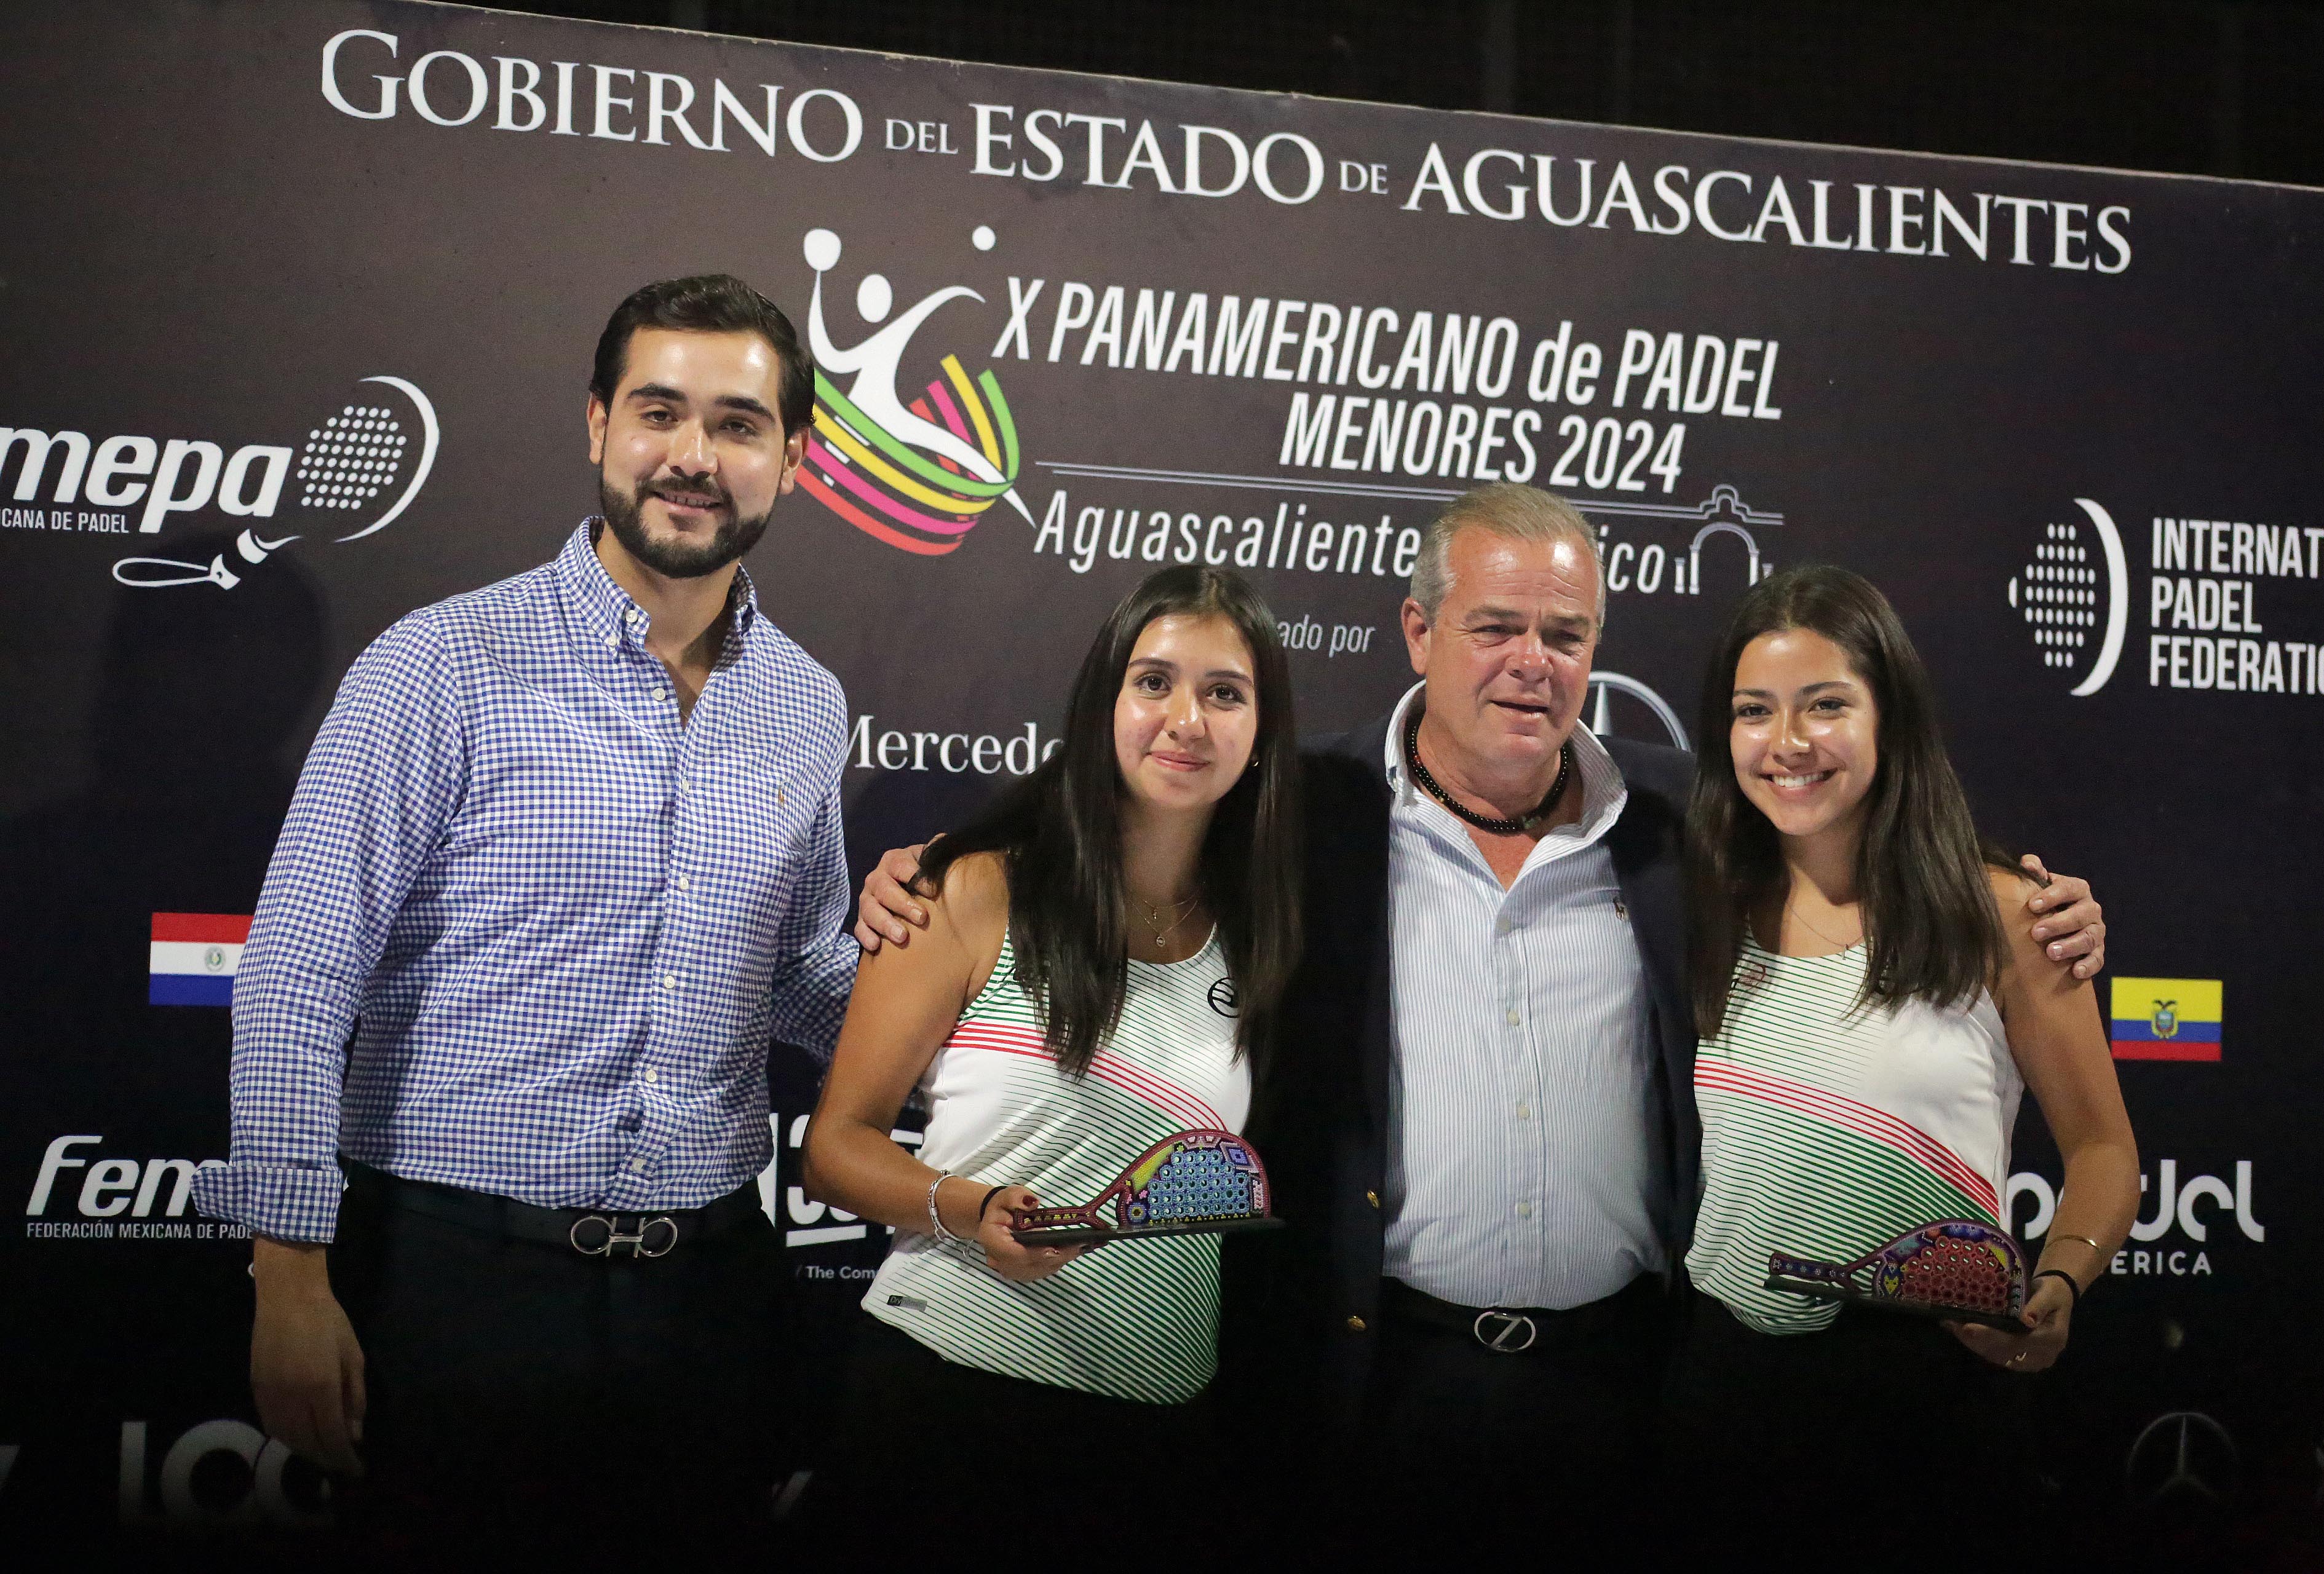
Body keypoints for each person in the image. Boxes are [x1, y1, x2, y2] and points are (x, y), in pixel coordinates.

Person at [857, 484, 2108, 1556]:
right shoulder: (1306, 808)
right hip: (1374, 1389)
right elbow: (1122, 811)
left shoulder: (1684, 825)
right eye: (1496, 626)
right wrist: (935, 869)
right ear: (1419, 631)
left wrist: (2035, 903)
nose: (1532, 661)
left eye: (1566, 633)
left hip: (1628, 1396)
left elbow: (1868, 845)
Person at [192, 274, 857, 1556]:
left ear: (794, 456)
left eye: (738, 423)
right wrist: (289, 1272)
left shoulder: (807, 701)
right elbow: (299, 972)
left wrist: (991, 1019)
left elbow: (797, 972)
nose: (694, 455)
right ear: (599, 422)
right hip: (452, 1286)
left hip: (710, 1296)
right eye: (659, 410)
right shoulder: (442, 663)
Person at [804, 564, 1300, 1547]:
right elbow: (834, 1149)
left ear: (1261, 734)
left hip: (1158, 1432)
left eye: (1224, 693)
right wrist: (973, 1209)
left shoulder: (1263, 940)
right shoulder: (975, 889)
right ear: (1104, 700)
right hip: (947, 1400)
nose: (1186, 721)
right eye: (1153, 682)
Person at [1665, 564, 2138, 1536]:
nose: (1788, 741)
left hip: (1928, 1402)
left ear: (1892, 717)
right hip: (1724, 1392)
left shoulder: (2006, 915)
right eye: (1754, 711)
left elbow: (2103, 1150)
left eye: (1826, 704)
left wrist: (2057, 1285)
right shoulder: (1710, 902)